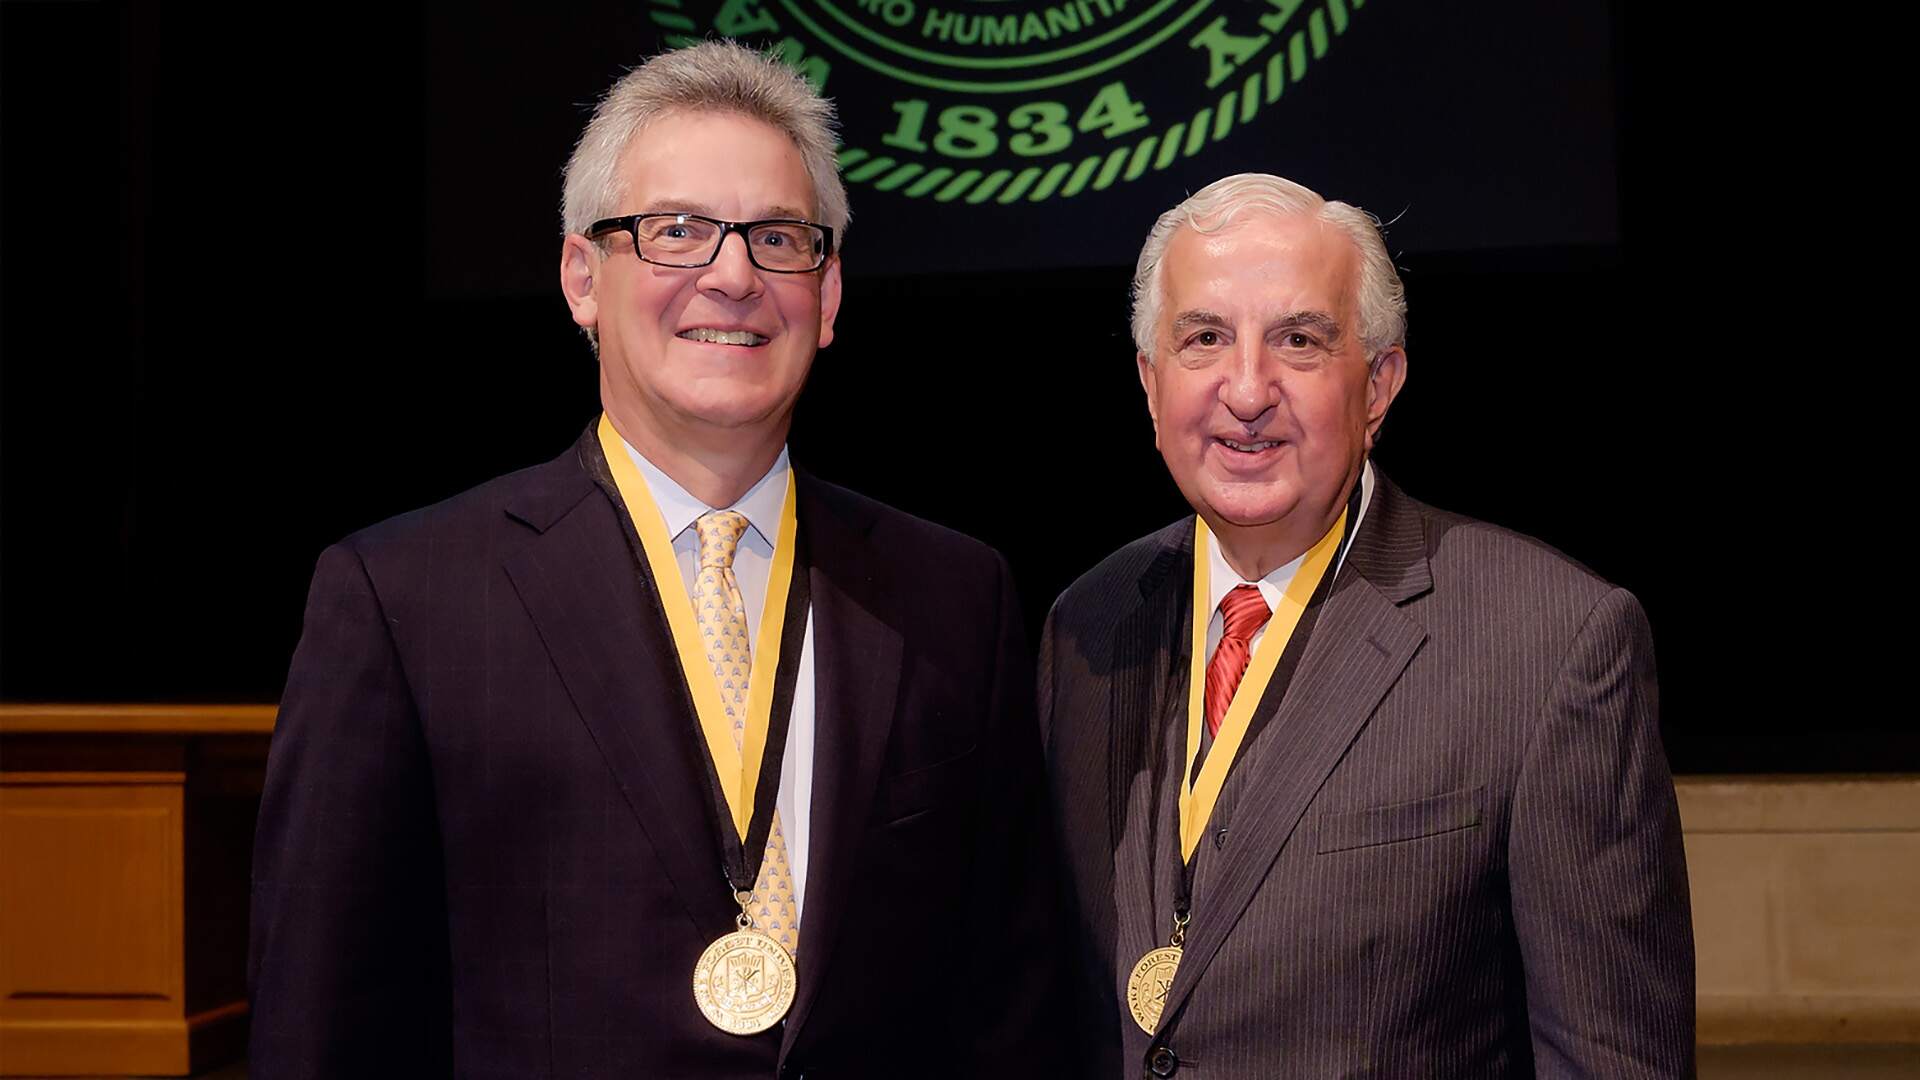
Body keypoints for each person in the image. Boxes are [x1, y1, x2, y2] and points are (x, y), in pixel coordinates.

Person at [249, 42, 1064, 1079]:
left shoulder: (953, 595)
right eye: (677, 231)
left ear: (828, 295)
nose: (734, 276)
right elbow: (322, 1024)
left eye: (778, 238)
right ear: (582, 278)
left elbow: (1007, 1008)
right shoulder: (405, 601)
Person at [1040, 173, 1693, 1078]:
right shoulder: (1086, 624)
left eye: (1299, 341)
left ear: (1379, 385)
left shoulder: (1552, 643)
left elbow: (1611, 1057)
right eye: (1204, 339)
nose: (1247, 390)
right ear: (1152, 384)